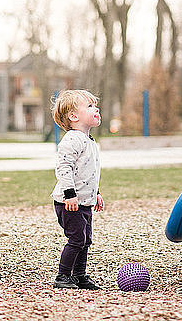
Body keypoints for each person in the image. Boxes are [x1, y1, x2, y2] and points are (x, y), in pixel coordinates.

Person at [50, 89, 105, 290]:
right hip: (69, 202)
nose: (96, 108)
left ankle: (80, 275)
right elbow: (64, 168)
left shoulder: (89, 141)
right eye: (89, 106)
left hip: (84, 202)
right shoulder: (73, 139)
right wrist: (69, 195)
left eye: (94, 105)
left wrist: (96, 193)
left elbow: (88, 172)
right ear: (74, 116)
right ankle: (63, 276)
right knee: (77, 239)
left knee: (86, 240)